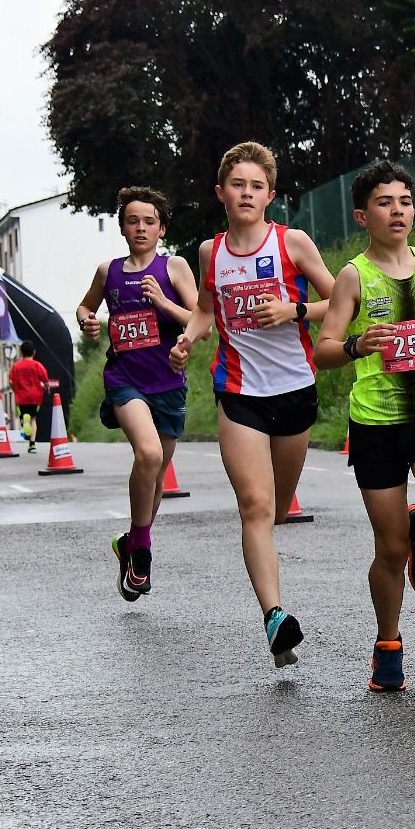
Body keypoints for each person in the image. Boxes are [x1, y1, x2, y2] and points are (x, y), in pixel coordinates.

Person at [170, 141, 334, 669]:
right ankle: (275, 617)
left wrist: (296, 308)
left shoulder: (293, 244)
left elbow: (343, 302)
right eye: (237, 184)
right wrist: (190, 338)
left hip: (294, 390)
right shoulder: (209, 252)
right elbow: (203, 309)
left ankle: (272, 592)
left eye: (256, 186)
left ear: (270, 195)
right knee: (256, 506)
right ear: (221, 193)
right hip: (239, 392)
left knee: (279, 505)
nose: (246, 193)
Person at [314, 159, 415, 692]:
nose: (397, 211)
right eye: (385, 203)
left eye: (404, 201)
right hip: (377, 423)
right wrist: (360, 344)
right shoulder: (353, 276)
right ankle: (388, 643)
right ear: (364, 215)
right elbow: (326, 349)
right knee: (388, 550)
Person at [77, 186, 200, 603]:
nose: (141, 227)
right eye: (133, 221)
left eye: (149, 221)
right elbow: (84, 307)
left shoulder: (175, 266)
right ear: (123, 227)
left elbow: (200, 318)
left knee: (158, 476)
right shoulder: (108, 271)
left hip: (167, 382)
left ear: (161, 228)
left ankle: (130, 541)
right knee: (147, 455)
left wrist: (163, 302)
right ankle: (143, 549)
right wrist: (88, 322)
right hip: (124, 379)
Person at [7, 342, 50, 453]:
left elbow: (11, 381)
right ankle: (32, 444)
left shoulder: (16, 366)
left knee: (24, 416)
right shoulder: (37, 365)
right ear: (34, 352)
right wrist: (46, 388)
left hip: (21, 397)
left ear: (21, 352)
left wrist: (15, 389)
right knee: (33, 419)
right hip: (35, 397)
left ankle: (23, 421)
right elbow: (45, 380)